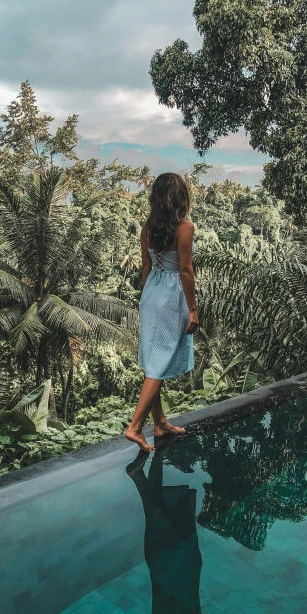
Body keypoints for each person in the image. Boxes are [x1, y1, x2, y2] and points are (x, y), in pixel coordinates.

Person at [125, 172, 199, 453]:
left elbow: (146, 269)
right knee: (160, 361)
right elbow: (185, 270)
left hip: (152, 292)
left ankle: (159, 423)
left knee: (154, 358)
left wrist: (148, 298)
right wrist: (192, 309)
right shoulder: (184, 227)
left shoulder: (148, 227)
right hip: (171, 294)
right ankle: (134, 427)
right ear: (180, 197)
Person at [126, 445, 205, 614]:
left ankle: (142, 476)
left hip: (172, 567)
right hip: (175, 571)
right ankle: (146, 471)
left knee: (160, 519)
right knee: (161, 518)